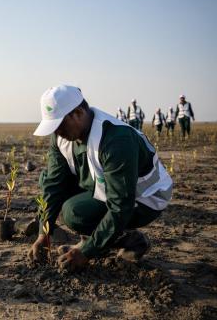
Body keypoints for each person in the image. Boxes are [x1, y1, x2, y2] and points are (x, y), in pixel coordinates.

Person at [28, 85, 172, 271]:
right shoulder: (62, 136)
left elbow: (121, 205)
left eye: (59, 125)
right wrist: (44, 233)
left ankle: (130, 241)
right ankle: (97, 240)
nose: (57, 132)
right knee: (46, 180)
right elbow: (54, 185)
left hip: (145, 199)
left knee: (74, 212)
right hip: (105, 188)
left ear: (78, 113)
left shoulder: (116, 139)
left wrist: (85, 253)